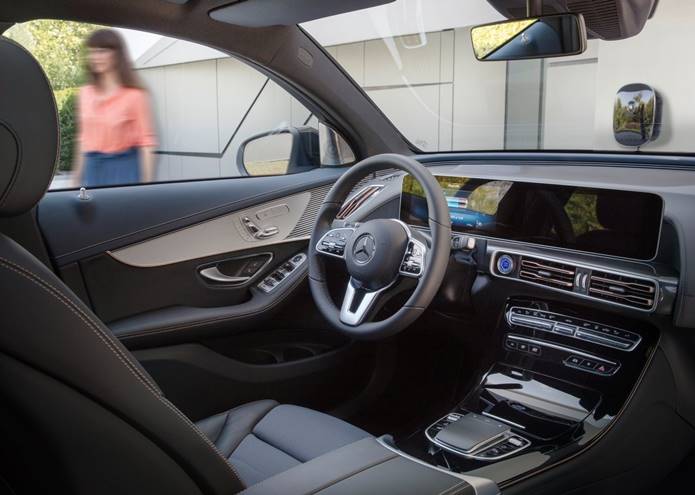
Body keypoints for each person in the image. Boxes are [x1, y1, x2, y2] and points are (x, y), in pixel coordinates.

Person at [72, 28, 157, 187]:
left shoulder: (135, 96)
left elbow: (147, 143)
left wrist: (146, 187)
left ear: (117, 54)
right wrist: (75, 180)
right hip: (93, 170)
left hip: (124, 171)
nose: (95, 57)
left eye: (102, 51)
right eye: (92, 52)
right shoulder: (84, 94)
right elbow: (83, 139)